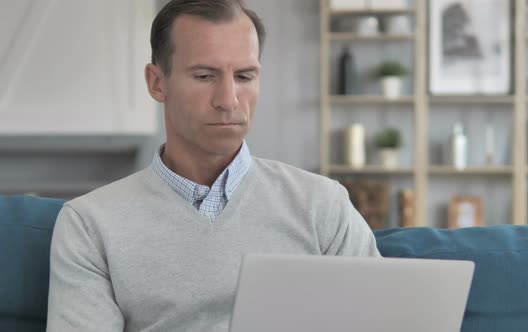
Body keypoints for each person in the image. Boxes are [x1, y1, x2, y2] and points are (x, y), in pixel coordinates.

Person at [46, 0, 380, 331]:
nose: (228, 100)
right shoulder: (89, 225)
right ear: (156, 83)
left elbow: (383, 319)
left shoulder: (322, 204)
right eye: (205, 76)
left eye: (245, 76)